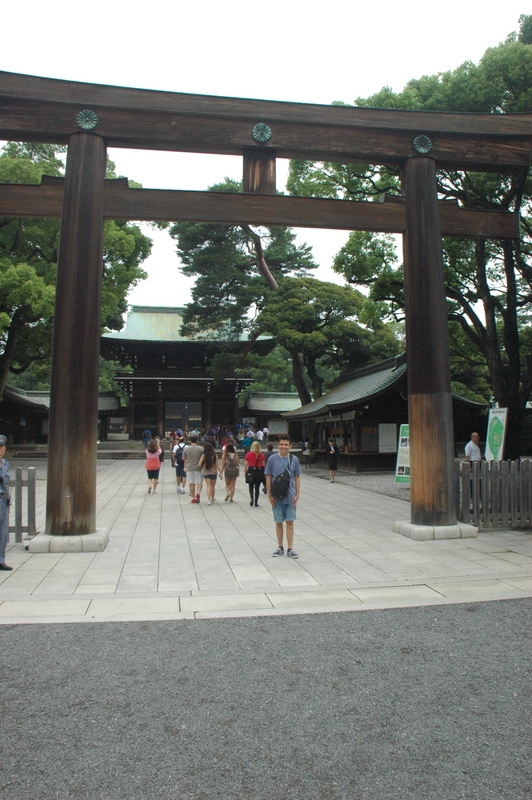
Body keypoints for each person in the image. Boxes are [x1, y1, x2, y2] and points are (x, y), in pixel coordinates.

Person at [265, 434, 301, 559]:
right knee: (278, 521)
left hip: (290, 496)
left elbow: (297, 477)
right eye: (281, 444)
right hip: (276, 495)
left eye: (286, 444)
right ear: (278, 445)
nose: (283, 447)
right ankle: (280, 546)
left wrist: (297, 494)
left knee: (290, 521)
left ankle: (290, 548)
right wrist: (269, 494)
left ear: (290, 446)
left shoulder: (294, 460)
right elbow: (268, 476)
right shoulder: (272, 459)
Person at [0, 435, 12, 570]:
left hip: (3, 500)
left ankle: (1, 559)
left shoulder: (5, 464)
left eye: (1, 447)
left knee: (3, 532)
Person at [183, 435, 204, 503]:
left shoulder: (186, 449)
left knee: (191, 483)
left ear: (190, 441)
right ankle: (198, 492)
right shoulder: (200, 448)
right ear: (197, 441)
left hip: (189, 467)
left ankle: (193, 496)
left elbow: (183, 458)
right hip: (198, 467)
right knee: (199, 482)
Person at [244, 440, 265, 507]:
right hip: (258, 471)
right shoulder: (261, 455)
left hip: (251, 470)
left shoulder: (248, 454)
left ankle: (252, 498)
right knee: (257, 487)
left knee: (251, 486)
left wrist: (245, 472)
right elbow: (264, 465)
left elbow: (246, 464)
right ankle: (256, 502)